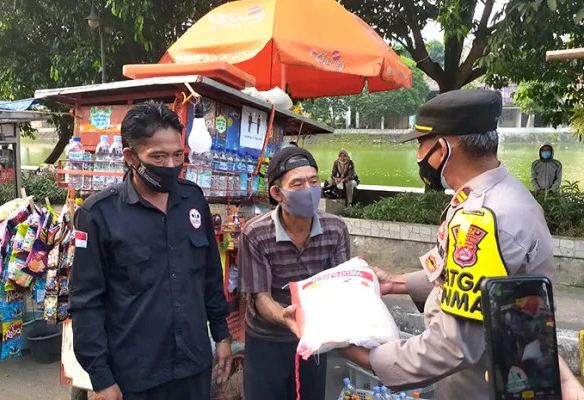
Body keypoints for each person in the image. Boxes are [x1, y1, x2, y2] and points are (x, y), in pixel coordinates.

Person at [339, 90, 556, 399]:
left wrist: (368, 358)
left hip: (480, 385)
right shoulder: (498, 193)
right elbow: (471, 284)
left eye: (420, 145)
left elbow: (455, 345)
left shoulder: (484, 219)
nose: (418, 156)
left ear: (442, 149)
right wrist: (396, 283)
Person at [70, 101, 232, 400]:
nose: (170, 165)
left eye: (177, 155)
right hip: (134, 375)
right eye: (158, 156)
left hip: (193, 367)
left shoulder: (193, 200)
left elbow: (210, 276)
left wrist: (222, 335)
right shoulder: (98, 214)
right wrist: (101, 377)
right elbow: (86, 302)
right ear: (131, 156)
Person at [239, 147, 350, 400]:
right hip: (267, 339)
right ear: (278, 193)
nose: (309, 191)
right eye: (297, 184)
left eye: (313, 182)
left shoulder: (336, 229)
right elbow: (260, 297)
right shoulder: (256, 233)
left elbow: (342, 286)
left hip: (315, 339)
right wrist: (286, 317)